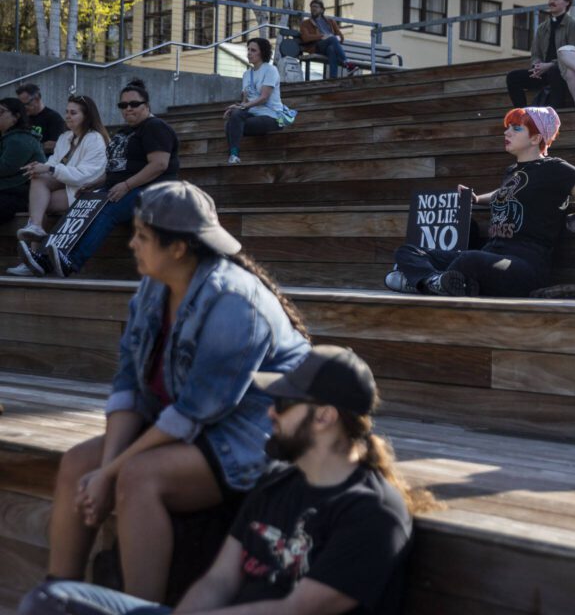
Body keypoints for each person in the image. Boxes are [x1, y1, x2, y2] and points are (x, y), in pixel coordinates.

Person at [19, 181, 312, 609]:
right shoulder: (153, 288)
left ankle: (139, 608)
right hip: (188, 427)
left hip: (256, 439)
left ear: (178, 248)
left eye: (142, 235)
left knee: (139, 478)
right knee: (78, 462)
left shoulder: (235, 301)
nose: (132, 243)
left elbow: (198, 411)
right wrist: (103, 466)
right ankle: (59, 595)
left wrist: (112, 471)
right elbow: (128, 386)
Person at [18, 345, 426, 615]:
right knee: (52, 601)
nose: (270, 414)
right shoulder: (277, 481)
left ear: (324, 417)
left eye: (282, 404)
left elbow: (295, 609)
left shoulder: (373, 512)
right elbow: (218, 580)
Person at [385, 106, 575, 298]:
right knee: (407, 251)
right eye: (507, 128)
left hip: (523, 267)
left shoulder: (554, 169)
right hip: (492, 256)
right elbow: (504, 193)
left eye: (516, 129)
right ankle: (434, 282)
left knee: (469, 259)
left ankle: (421, 282)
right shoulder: (513, 171)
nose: (506, 133)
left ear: (536, 137)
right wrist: (477, 198)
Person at [18, 79, 179, 278]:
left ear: (147, 105)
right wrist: (95, 184)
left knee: (106, 210)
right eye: (123, 105)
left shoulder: (155, 127)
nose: (128, 109)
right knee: (82, 206)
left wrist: (126, 185)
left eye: (134, 104)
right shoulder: (125, 132)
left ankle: (71, 261)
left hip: (154, 190)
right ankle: (46, 258)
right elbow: (117, 169)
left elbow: (159, 165)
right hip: (121, 186)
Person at [10, 95, 109, 275]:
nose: (68, 116)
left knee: (40, 203)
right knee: (38, 178)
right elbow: (54, 165)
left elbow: (84, 176)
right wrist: (40, 168)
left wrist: (48, 167)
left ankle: (32, 260)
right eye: (67, 112)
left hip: (85, 191)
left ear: (86, 116)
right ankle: (36, 227)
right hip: (65, 185)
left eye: (73, 113)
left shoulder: (95, 139)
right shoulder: (65, 137)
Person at [506, 0, 575, 109]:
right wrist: (537, 66)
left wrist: (550, 65)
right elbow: (535, 54)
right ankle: (522, 114)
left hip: (562, 72)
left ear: (567, 2)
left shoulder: (574, 25)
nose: (551, 1)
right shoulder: (542, 28)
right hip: (543, 72)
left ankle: (554, 114)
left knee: (554, 71)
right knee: (513, 77)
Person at [223, 37, 290, 165]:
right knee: (233, 119)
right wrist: (236, 107)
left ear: (262, 52)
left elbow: (264, 97)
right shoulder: (246, 74)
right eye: (248, 50)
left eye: (253, 50)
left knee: (232, 126)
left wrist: (242, 107)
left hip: (272, 116)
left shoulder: (270, 70)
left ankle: (234, 154)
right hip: (253, 114)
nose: (249, 53)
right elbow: (245, 101)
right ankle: (234, 155)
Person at [0, 97, 46, 226]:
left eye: (1, 112)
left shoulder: (20, 139)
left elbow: (5, 168)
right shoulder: (8, 137)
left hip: (19, 194)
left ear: (16, 116)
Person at [299, 0, 357, 79]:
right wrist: (322, 36)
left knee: (332, 49)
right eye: (312, 7)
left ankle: (333, 78)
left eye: (316, 7)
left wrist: (337, 38)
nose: (313, 9)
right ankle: (347, 63)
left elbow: (341, 37)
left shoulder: (330, 21)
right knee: (332, 39)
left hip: (329, 45)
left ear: (322, 10)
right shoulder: (305, 23)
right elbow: (305, 38)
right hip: (316, 46)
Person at [16, 83, 66, 155]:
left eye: (26, 104)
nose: (23, 108)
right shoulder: (21, 117)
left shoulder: (53, 118)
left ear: (37, 98)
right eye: (20, 105)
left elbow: (55, 146)